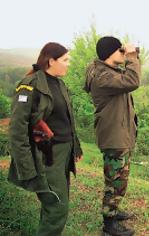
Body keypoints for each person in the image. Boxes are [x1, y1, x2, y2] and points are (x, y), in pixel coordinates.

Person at [8, 42, 83, 236]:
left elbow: (67, 119)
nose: (69, 64)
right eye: (65, 60)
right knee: (57, 208)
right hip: (47, 156)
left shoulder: (59, 83)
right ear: (51, 61)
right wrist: (26, 167)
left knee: (53, 205)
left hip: (63, 154)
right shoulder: (30, 85)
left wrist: (76, 147)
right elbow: (17, 130)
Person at [84, 36, 140, 236]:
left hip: (118, 134)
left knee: (119, 179)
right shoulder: (103, 77)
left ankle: (113, 210)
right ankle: (109, 225)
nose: (123, 54)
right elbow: (132, 81)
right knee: (115, 181)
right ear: (109, 54)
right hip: (114, 136)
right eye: (120, 51)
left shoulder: (107, 72)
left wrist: (130, 56)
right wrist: (132, 56)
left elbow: (125, 79)